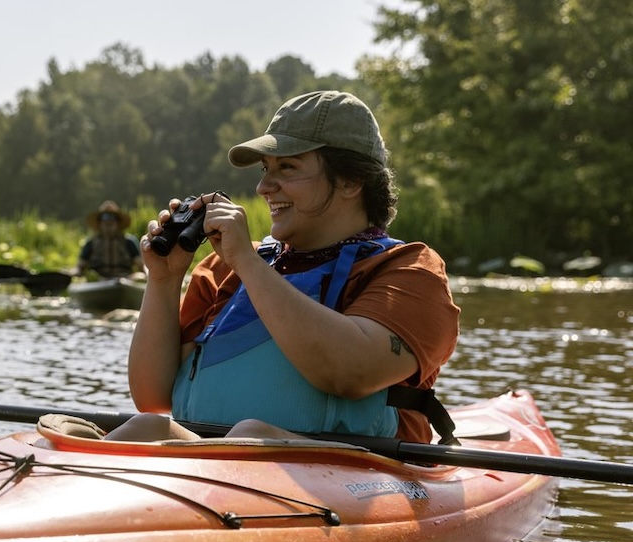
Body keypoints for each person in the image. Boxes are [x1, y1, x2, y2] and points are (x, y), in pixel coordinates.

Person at [107, 90, 460, 445]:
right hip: (214, 468)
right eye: (265, 170)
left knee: (251, 435)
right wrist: (164, 280)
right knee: (147, 427)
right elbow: (153, 396)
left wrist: (247, 263)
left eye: (287, 168)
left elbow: (351, 373)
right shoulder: (224, 269)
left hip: (353, 474)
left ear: (351, 181)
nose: (263, 187)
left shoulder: (410, 271)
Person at [76, 201, 144, 278]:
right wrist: (77, 272)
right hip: (98, 280)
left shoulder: (129, 242)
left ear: (118, 224)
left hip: (124, 279)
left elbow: (141, 265)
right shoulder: (91, 243)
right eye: (105, 223)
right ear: (100, 224)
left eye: (111, 223)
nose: (108, 226)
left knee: (139, 276)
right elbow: (80, 267)